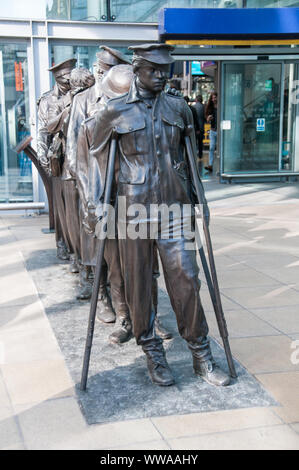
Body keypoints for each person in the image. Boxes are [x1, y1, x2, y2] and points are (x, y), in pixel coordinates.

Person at [89, 43, 230, 388]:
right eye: (154, 70)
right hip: (132, 210)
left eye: (165, 70)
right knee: (139, 287)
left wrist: (201, 202)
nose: (161, 76)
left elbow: (190, 158)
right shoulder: (113, 111)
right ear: (137, 69)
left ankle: (201, 353)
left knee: (186, 280)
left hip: (175, 208)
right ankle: (152, 350)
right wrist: (98, 206)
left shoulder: (179, 109)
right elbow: (96, 155)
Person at [37, 58, 77, 260]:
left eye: (70, 76)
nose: (68, 80)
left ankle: (76, 247)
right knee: (61, 206)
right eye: (64, 78)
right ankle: (62, 244)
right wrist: (45, 162)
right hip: (58, 158)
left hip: (77, 157)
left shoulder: (79, 95)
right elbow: (44, 132)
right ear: (57, 78)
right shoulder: (48, 100)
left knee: (75, 207)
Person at [205, 92, 217, 172]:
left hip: (220, 130)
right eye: (212, 98)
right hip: (213, 130)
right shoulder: (210, 107)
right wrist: (208, 118)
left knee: (221, 148)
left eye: (215, 97)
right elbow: (207, 119)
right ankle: (210, 165)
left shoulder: (221, 106)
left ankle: (222, 165)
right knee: (211, 147)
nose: (213, 99)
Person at [193, 95, 205, 160]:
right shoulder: (203, 107)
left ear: (196, 99)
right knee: (200, 142)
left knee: (194, 142)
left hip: (195, 128)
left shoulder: (193, 107)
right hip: (202, 127)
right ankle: (200, 155)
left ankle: (194, 154)